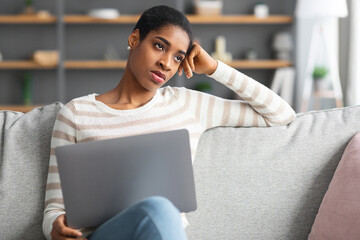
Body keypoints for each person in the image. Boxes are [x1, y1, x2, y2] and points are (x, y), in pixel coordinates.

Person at [43, 5, 296, 240]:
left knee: (162, 210)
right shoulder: (76, 114)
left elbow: (280, 114)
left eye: (178, 58)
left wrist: (214, 68)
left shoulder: (188, 105)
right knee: (160, 208)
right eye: (159, 46)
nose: (166, 63)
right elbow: (54, 208)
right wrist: (56, 227)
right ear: (134, 40)